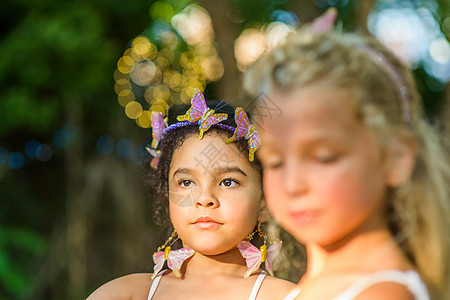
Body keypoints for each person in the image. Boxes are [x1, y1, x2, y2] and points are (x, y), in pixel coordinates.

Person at [243, 27, 450, 300]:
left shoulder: (382, 294)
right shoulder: (308, 287)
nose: (292, 185)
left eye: (323, 157)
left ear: (395, 157)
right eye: (275, 162)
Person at [87, 89, 295, 299]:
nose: (205, 199)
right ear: (168, 196)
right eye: (186, 182)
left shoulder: (286, 297)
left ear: (265, 202)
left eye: (228, 182)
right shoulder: (123, 295)